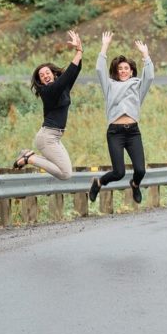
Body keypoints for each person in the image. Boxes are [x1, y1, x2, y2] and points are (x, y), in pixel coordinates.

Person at [88, 31, 154, 205]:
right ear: (116, 72)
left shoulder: (138, 86)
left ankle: (135, 184)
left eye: (126, 68)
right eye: (120, 69)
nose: (123, 71)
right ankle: (99, 182)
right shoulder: (109, 86)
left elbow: (150, 76)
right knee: (119, 172)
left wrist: (145, 55)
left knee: (140, 170)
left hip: (133, 132)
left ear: (131, 71)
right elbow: (99, 69)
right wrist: (105, 46)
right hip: (115, 133)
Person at [12, 30, 83, 180]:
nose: (45, 75)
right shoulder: (48, 91)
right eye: (41, 76)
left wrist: (79, 51)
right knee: (65, 174)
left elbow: (74, 72)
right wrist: (78, 52)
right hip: (47, 137)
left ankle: (28, 156)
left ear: (54, 73)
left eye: (47, 72)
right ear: (41, 81)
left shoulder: (62, 88)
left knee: (66, 171)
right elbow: (67, 76)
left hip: (55, 136)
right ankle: (29, 159)